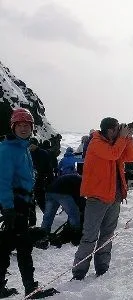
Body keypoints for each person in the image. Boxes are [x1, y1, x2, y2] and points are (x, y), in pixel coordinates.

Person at [0, 108, 59, 298]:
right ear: (13, 127)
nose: (24, 128)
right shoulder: (7, 149)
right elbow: (3, 181)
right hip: (14, 205)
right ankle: (30, 288)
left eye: (27, 125)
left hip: (22, 203)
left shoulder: (22, 147)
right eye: (20, 125)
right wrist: (8, 208)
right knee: (23, 246)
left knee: (6, 245)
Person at [72, 117, 133, 280]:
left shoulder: (115, 143)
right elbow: (113, 154)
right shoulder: (96, 143)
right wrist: (122, 138)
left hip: (114, 197)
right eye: (117, 129)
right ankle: (79, 273)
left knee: (107, 235)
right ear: (110, 130)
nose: (119, 131)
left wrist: (128, 137)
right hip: (97, 198)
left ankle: (102, 268)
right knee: (90, 237)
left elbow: (132, 157)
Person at [36, 174, 84, 249]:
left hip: (50, 191)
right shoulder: (81, 182)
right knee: (74, 214)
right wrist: (81, 209)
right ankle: (75, 235)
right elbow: (78, 198)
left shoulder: (75, 178)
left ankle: (42, 236)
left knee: (48, 217)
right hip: (62, 193)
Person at [28, 138, 54, 225]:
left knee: (41, 202)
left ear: (36, 144)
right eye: (30, 144)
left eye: (32, 144)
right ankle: (32, 223)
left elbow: (49, 168)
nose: (31, 146)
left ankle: (47, 222)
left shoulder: (43, 153)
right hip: (29, 181)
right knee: (30, 204)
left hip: (41, 181)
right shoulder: (27, 153)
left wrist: (50, 181)